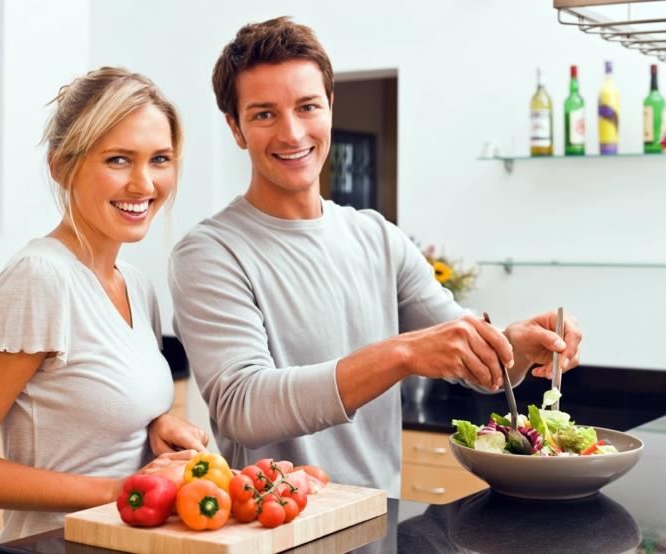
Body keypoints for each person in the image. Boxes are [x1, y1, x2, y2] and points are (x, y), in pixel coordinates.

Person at [169, 18, 582, 497]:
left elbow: (475, 365)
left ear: (329, 108)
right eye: (264, 114)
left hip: (379, 523)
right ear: (236, 129)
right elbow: (244, 409)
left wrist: (515, 346)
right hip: (275, 529)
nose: (292, 132)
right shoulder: (209, 252)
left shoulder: (377, 237)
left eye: (308, 107)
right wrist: (401, 353)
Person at [0, 67, 208, 550]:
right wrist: (113, 493)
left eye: (160, 159)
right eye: (118, 159)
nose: (144, 183)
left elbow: (95, 404)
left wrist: (156, 424)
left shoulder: (137, 286)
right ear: (60, 166)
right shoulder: (39, 279)